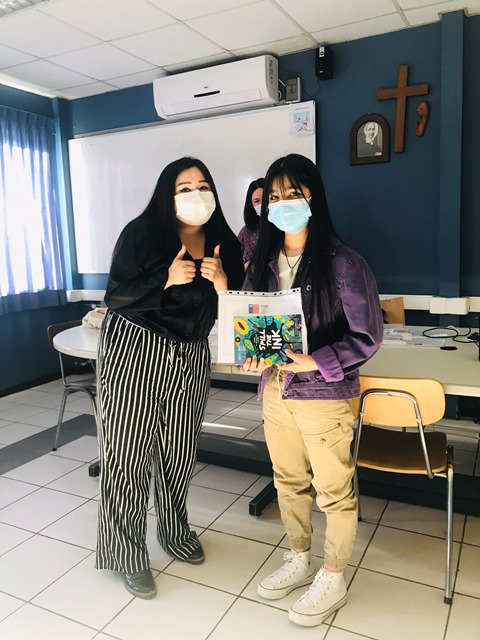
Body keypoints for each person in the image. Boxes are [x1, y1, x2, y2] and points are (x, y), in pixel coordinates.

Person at [242, 154, 383, 627]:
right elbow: (254, 325)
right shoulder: (263, 263)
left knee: (333, 490)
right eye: (274, 196)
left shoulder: (343, 262)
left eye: (293, 193)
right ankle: (299, 555)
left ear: (313, 197)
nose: (282, 203)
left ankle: (334, 574)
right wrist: (252, 352)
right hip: (276, 389)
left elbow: (368, 337)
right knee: (287, 480)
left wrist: (315, 360)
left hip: (323, 394)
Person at [95, 157, 244, 599]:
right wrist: (165, 278)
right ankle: (126, 552)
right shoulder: (142, 233)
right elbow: (115, 296)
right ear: (168, 194)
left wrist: (223, 285)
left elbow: (238, 308)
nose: (195, 194)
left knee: (179, 451)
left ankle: (174, 531)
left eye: (202, 185)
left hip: (191, 352)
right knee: (128, 454)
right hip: (135, 346)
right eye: (184, 187)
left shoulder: (224, 241)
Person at [237, 177, 265, 269]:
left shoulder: (283, 227)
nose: (262, 204)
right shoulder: (246, 232)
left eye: (266, 199)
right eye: (257, 201)